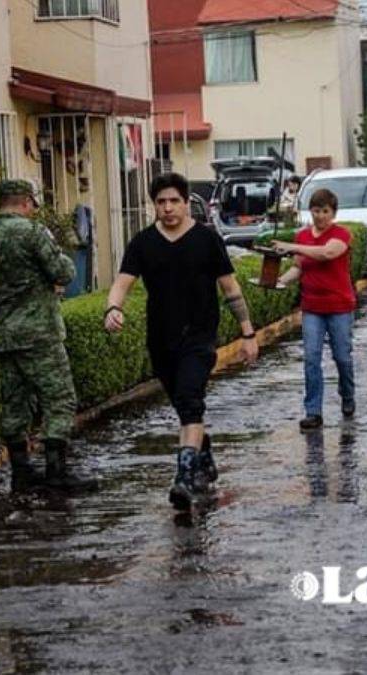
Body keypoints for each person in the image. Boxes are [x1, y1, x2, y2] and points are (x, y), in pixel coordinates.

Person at [105, 172, 260, 511]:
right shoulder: (143, 243)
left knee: (190, 401)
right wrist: (113, 308)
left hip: (200, 337)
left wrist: (248, 333)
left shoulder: (206, 240)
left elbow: (231, 289)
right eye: (161, 202)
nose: (168, 208)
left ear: (186, 202)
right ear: (154, 206)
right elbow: (122, 282)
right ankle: (203, 457)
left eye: (174, 201)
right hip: (161, 340)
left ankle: (184, 477)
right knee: (184, 407)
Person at [0, 179, 86, 489]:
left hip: (4, 334)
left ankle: (21, 471)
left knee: (15, 403)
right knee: (59, 397)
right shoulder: (33, 232)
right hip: (40, 333)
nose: (34, 210)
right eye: (33, 204)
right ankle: (56, 472)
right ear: (24, 202)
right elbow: (64, 273)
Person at [272, 188, 357, 432]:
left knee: (342, 357)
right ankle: (313, 411)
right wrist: (280, 281)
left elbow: (327, 253)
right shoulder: (302, 237)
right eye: (316, 210)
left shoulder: (341, 234)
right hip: (312, 307)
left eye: (325, 211)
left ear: (333, 213)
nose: (320, 216)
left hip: (339, 305)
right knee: (311, 358)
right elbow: (299, 268)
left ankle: (347, 394)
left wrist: (292, 247)